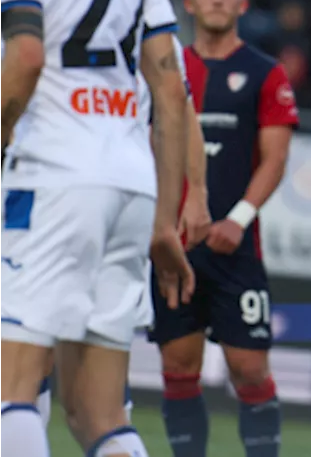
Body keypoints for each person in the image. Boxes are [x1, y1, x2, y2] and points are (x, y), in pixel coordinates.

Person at [0, 0, 194, 457]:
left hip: (54, 172)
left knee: (11, 387)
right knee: (99, 414)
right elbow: (170, 90)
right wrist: (166, 219)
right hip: (131, 183)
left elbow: (25, 56)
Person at [147, 0, 299, 457]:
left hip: (236, 249)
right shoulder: (166, 71)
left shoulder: (264, 72)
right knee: (178, 368)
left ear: (241, 5)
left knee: (250, 369)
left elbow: (275, 159)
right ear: (188, 5)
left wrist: (237, 220)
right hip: (175, 248)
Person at [34, 31, 210, 429]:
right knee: (105, 395)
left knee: (23, 364)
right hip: (129, 197)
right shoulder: (147, 10)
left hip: (53, 190)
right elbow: (177, 105)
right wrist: (183, 204)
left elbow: (22, 67)